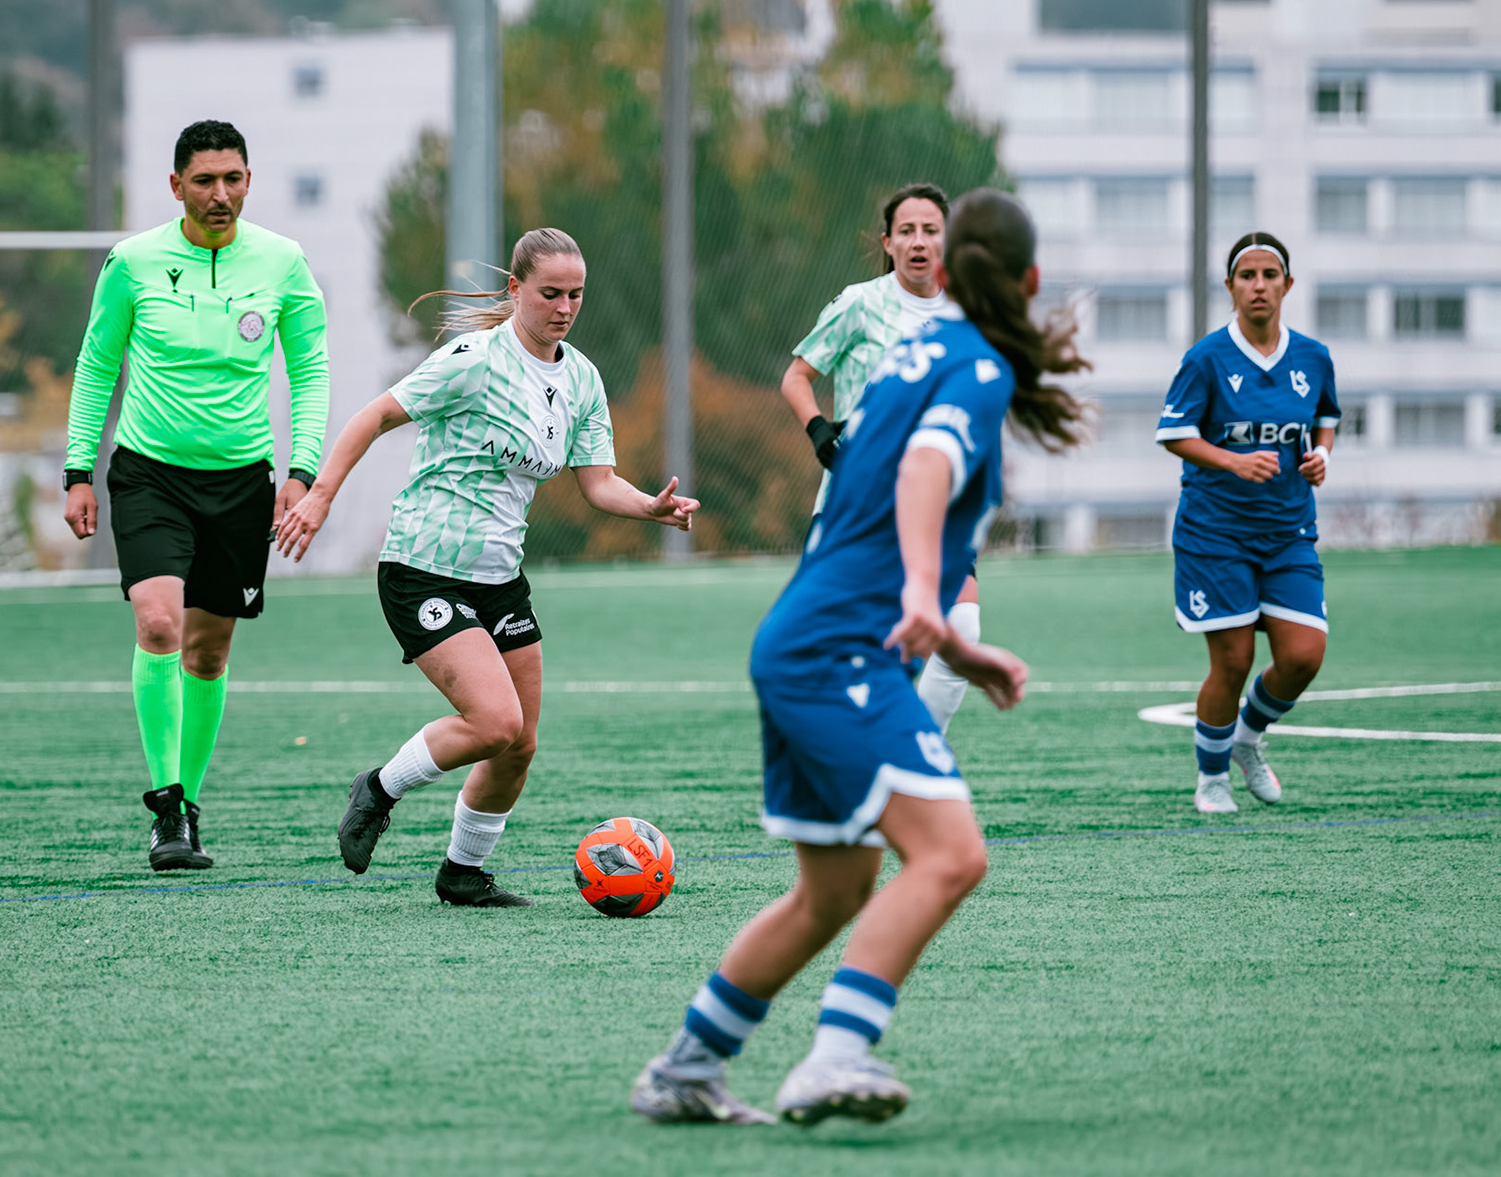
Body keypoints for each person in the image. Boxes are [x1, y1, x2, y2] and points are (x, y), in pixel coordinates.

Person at [633, 190, 1087, 1127]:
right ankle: (833, 1057)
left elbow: (877, 504)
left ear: (948, 270)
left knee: (833, 890)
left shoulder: (919, 351)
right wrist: (929, 596)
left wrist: (955, 640)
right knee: (952, 856)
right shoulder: (972, 365)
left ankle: (684, 1071)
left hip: (809, 636)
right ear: (1030, 282)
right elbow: (923, 470)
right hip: (837, 649)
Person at [275, 227, 697, 907]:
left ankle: (462, 872)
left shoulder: (581, 378)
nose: (563, 307)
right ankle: (377, 789)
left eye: (576, 295)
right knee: (494, 722)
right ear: (515, 290)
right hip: (422, 568)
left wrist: (649, 506)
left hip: (499, 578)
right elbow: (374, 415)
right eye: (550, 293)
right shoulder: (474, 359)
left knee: (518, 745)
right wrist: (320, 496)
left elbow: (598, 482)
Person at [63, 119, 329, 872]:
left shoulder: (283, 263)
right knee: (158, 625)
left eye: (233, 179)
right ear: (175, 185)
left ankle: (193, 803)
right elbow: (95, 365)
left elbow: (309, 372)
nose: (221, 194)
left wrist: (302, 472)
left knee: (209, 655)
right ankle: (166, 805)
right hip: (148, 473)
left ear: (249, 181)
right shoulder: (133, 262)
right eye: (205, 181)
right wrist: (78, 470)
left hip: (242, 482)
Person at [779, 183, 982, 737]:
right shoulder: (860, 303)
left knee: (960, 630)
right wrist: (819, 429)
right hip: (858, 505)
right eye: (908, 231)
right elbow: (798, 376)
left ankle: (915, 758)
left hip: (936, 505)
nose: (920, 241)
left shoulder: (970, 313)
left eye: (931, 230)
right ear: (888, 242)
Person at [1155, 233, 1339, 814]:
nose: (1258, 286)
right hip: (1216, 534)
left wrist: (1322, 455)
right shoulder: (1206, 357)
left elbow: (1325, 418)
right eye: (1246, 276)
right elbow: (1173, 434)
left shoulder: (1313, 357)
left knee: (1305, 655)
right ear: (1230, 287)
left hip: (1288, 532)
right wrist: (1233, 459)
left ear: (1287, 285)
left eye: (1269, 275)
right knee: (1232, 662)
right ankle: (1212, 778)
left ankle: (1246, 739)